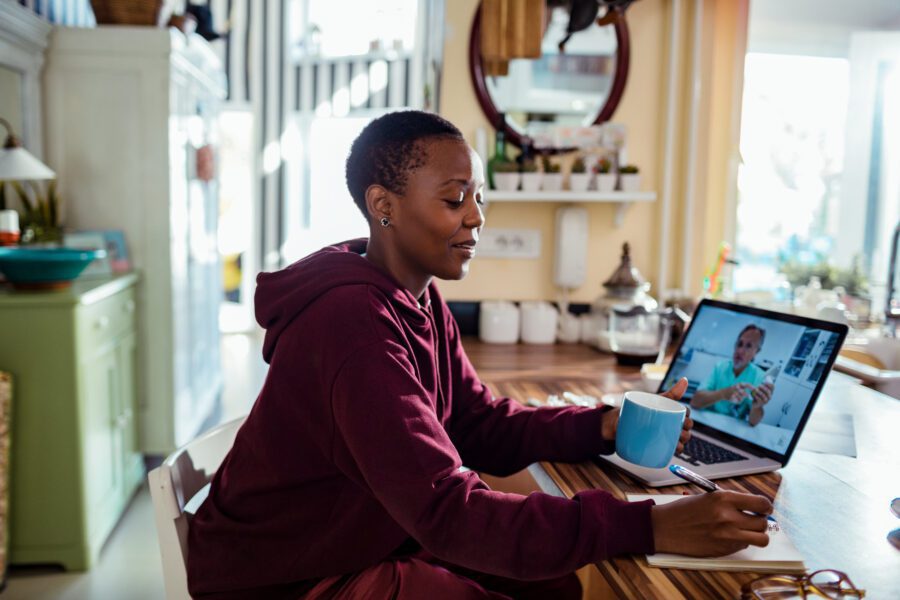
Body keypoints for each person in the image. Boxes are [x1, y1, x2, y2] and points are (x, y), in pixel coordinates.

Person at [187, 111, 774, 599]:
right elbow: (448, 512)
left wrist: (601, 425)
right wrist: (649, 524)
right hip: (286, 575)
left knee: (559, 588)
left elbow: (478, 423)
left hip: (354, 535)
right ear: (382, 205)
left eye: (478, 196)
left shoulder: (415, 297)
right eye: (454, 198)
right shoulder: (354, 327)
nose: (476, 216)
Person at [690, 324, 774, 426]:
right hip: (708, 422)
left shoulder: (759, 377)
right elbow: (695, 401)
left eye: (748, 346)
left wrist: (757, 406)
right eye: (739, 344)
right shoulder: (720, 367)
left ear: (756, 351)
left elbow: (753, 422)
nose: (740, 351)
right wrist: (723, 394)